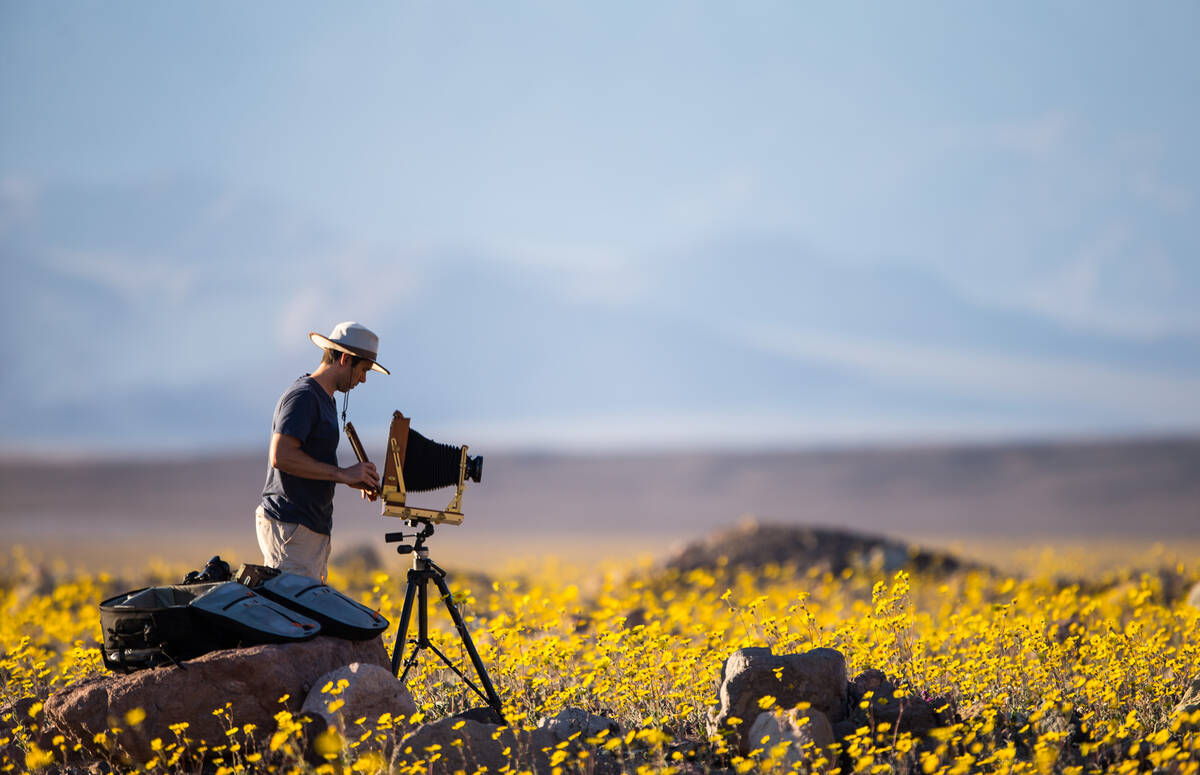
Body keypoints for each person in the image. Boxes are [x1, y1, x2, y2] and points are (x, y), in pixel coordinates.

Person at [255, 321, 389, 581]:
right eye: (363, 370)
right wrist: (342, 474)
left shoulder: (325, 399)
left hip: (307, 529)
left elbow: (310, 462)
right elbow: (281, 456)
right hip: (292, 527)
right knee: (292, 615)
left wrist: (352, 478)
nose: (363, 379)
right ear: (345, 359)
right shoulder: (304, 396)